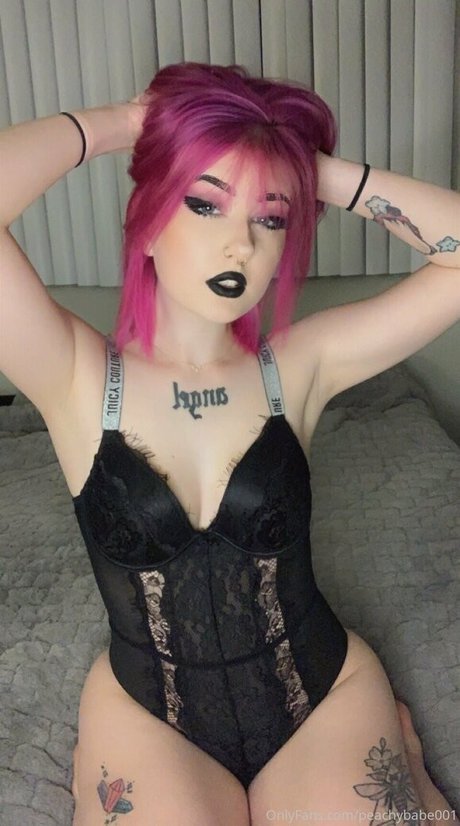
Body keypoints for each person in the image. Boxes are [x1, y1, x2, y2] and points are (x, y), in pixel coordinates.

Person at [0, 61, 458, 826]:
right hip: (149, 711)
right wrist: (129, 125)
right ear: (148, 221)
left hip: (322, 693)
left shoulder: (299, 366)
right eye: (206, 203)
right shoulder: (74, 375)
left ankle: (401, 755)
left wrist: (306, 170)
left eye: (271, 218)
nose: (241, 243)